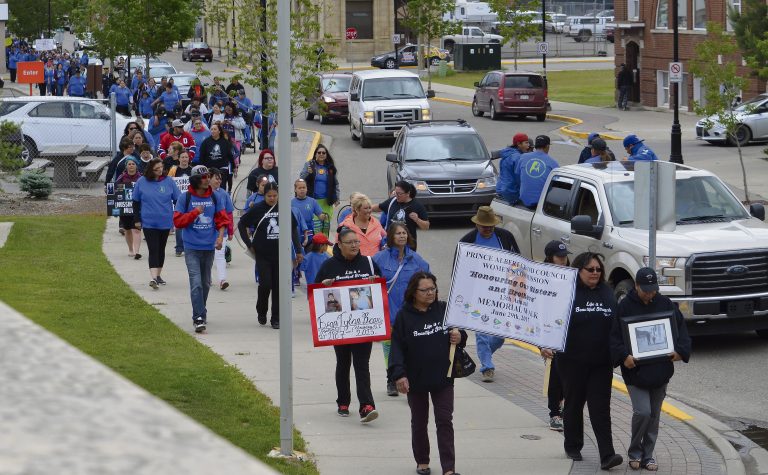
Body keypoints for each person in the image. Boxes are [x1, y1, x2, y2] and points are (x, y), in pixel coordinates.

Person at [610, 268, 691, 472]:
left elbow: (681, 331)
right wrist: (623, 356)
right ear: (636, 286)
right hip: (635, 371)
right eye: (645, 290)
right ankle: (635, 452)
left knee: (654, 415)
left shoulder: (665, 304)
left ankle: (648, 455)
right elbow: (614, 337)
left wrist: (680, 352)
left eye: (653, 289)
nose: (650, 294)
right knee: (643, 412)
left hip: (660, 370)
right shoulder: (625, 306)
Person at [388, 272, 466, 475]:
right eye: (425, 290)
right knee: (420, 421)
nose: (430, 293)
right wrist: (399, 375)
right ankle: (422, 461)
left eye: (433, 288)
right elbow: (396, 348)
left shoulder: (444, 310)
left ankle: (449, 468)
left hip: (443, 377)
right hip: (416, 380)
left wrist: (459, 336)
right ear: (414, 292)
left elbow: (460, 335)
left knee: (444, 420)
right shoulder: (404, 316)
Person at [556, 252, 622, 470]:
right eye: (590, 269)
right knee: (574, 404)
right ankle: (573, 444)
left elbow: (618, 324)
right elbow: (551, 320)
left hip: (601, 364)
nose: (595, 273)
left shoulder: (607, 292)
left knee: (600, 409)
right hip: (572, 361)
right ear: (579, 270)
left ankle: (607, 455)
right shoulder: (567, 290)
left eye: (598, 269)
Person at [315, 226, 382, 423]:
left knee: (362, 365)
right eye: (349, 243)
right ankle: (343, 401)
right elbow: (316, 293)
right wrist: (324, 286)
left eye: (356, 242)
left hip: (362, 324)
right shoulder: (329, 265)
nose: (354, 245)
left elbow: (379, 288)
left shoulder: (368, 263)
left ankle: (366, 405)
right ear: (339, 245)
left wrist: (375, 281)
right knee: (343, 363)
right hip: (341, 325)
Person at [459, 206, 519, 383]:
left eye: (491, 226)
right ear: (477, 225)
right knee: (482, 331)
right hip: (477, 293)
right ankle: (487, 366)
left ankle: (485, 354)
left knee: (500, 335)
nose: (488, 229)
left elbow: (517, 261)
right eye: (484, 226)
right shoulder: (468, 241)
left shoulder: (505, 237)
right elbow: (460, 269)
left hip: (501, 292)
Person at [373, 222, 430, 396]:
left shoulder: (416, 259)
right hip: (388, 312)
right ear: (391, 236)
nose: (402, 236)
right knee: (389, 348)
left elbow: (428, 282)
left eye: (404, 233)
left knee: (410, 348)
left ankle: (408, 379)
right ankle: (391, 379)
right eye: (398, 233)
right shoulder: (379, 258)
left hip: (409, 313)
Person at [173, 165, 231, 333]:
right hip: (191, 247)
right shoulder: (185, 198)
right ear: (196, 180)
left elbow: (222, 219)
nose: (208, 179)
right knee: (196, 283)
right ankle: (198, 317)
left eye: (208, 176)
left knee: (205, 283)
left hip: (209, 247)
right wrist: (195, 213)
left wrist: (220, 237)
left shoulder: (214, 197)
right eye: (204, 177)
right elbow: (178, 222)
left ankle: (201, 310)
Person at [238, 183, 302, 329]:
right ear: (264, 195)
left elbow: (293, 230)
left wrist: (298, 251)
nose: (272, 198)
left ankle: (276, 318)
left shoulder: (284, 208)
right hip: (263, 254)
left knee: (278, 287)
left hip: (281, 254)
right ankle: (261, 310)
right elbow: (242, 224)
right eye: (269, 196)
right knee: (266, 284)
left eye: (275, 196)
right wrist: (249, 244)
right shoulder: (258, 208)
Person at [132, 158, 181, 289]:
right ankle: (153, 278)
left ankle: (158, 275)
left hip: (165, 221)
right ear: (150, 170)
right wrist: (137, 220)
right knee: (153, 249)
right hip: (148, 222)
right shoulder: (141, 182)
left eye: (161, 167)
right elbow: (135, 202)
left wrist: (179, 216)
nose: (160, 170)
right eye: (157, 169)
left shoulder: (169, 181)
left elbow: (178, 200)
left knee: (161, 249)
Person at [538, 240, 572, 432]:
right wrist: (541, 344)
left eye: (565, 256)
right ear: (550, 257)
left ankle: (568, 410)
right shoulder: (540, 277)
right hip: (549, 333)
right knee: (555, 375)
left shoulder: (572, 275)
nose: (563, 259)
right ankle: (554, 413)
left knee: (570, 375)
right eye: (559, 257)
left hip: (569, 332)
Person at [373, 181, 430, 249]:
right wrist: (364, 208)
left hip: (407, 245)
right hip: (390, 243)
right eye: (396, 193)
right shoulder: (392, 201)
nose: (396, 196)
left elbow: (426, 226)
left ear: (408, 193)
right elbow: (378, 207)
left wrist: (417, 220)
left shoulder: (417, 206)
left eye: (399, 194)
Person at [299, 144, 340, 235]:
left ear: (326, 155)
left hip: (327, 202)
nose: (321, 154)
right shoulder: (309, 164)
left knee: (325, 229)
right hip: (313, 202)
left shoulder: (330, 167)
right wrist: (308, 173)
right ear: (315, 154)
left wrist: (337, 197)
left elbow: (335, 184)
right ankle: (316, 248)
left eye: (323, 153)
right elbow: (301, 179)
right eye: (319, 152)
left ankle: (323, 249)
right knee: (316, 229)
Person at [516, 135, 560, 209]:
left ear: (535, 146)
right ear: (547, 146)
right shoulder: (553, 163)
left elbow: (517, 175)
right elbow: (557, 184)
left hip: (523, 200)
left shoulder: (523, 157)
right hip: (541, 204)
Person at [209, 168, 236, 290]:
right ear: (208, 178)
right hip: (207, 231)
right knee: (207, 256)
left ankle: (222, 280)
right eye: (216, 178)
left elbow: (229, 213)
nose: (219, 180)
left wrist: (230, 230)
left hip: (221, 231)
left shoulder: (224, 194)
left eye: (220, 178)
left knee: (220, 255)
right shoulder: (204, 193)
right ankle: (207, 277)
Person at [116, 157, 143, 259]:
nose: (131, 166)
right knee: (127, 230)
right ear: (126, 166)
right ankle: (130, 249)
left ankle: (137, 252)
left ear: (136, 165)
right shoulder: (121, 177)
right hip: (125, 208)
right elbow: (114, 191)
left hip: (138, 208)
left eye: (133, 164)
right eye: (129, 164)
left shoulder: (141, 178)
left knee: (136, 229)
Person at [168, 151, 194, 257]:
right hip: (177, 200)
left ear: (189, 159)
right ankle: (179, 247)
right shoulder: (174, 170)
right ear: (179, 159)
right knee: (178, 224)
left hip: (190, 199)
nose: (184, 159)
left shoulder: (192, 170)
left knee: (190, 223)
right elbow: (169, 182)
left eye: (186, 157)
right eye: (182, 157)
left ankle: (190, 246)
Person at [198, 123, 237, 191]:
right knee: (210, 186)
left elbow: (230, 156)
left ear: (219, 131)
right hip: (209, 168)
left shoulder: (225, 142)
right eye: (212, 129)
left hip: (222, 167)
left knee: (221, 185)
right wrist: (202, 167)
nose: (213, 131)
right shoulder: (206, 142)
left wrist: (234, 167)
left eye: (215, 129)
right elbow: (202, 156)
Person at [292, 178, 327, 248]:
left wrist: (324, 216)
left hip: (310, 233)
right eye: (299, 188)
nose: (302, 189)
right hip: (296, 233)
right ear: (295, 190)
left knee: (309, 255)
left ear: (307, 189)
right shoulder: (291, 203)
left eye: (304, 187)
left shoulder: (312, 201)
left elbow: (320, 215)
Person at [496, 133, 530, 204]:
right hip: (511, 192)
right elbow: (519, 177)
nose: (528, 145)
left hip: (501, 189)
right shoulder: (518, 157)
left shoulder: (506, 154)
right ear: (519, 144)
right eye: (526, 143)